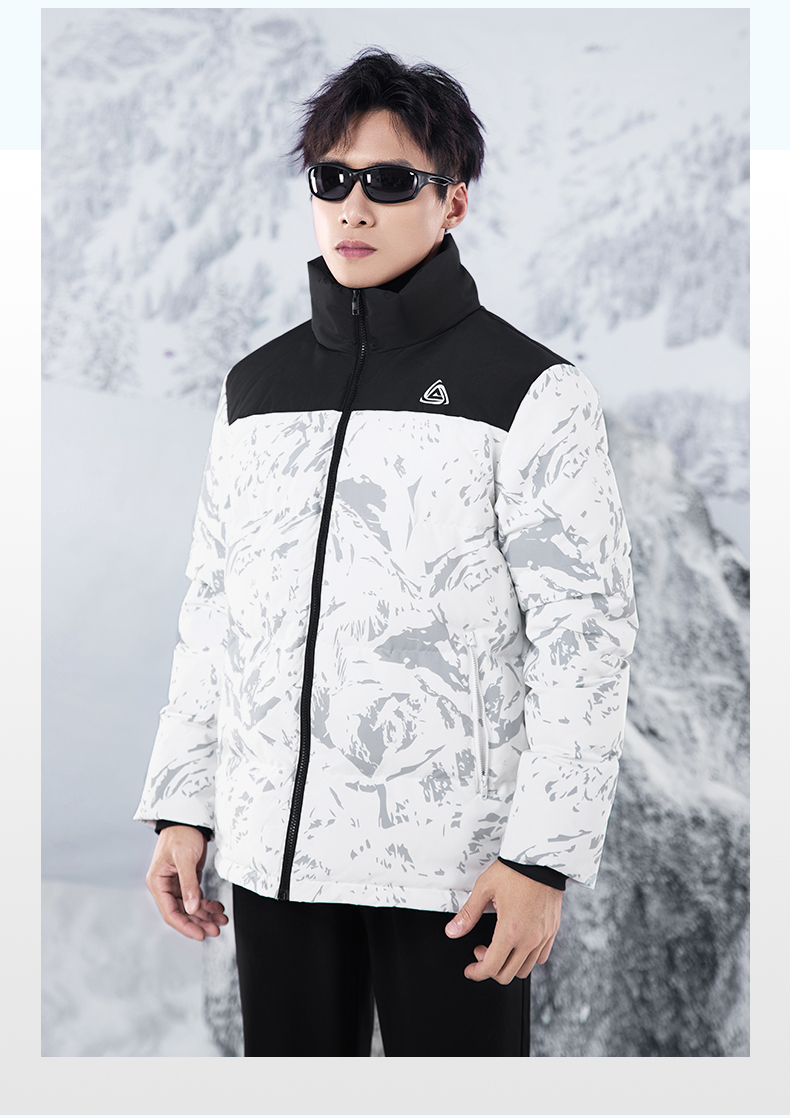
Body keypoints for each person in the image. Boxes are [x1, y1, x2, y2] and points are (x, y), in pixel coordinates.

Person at [134, 49, 638, 1057]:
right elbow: (215, 612)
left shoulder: (530, 391)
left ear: (453, 201)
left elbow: (585, 637)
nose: (353, 207)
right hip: (274, 864)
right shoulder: (255, 390)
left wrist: (540, 860)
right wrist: (184, 807)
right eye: (331, 178)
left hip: (455, 876)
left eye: (391, 181)